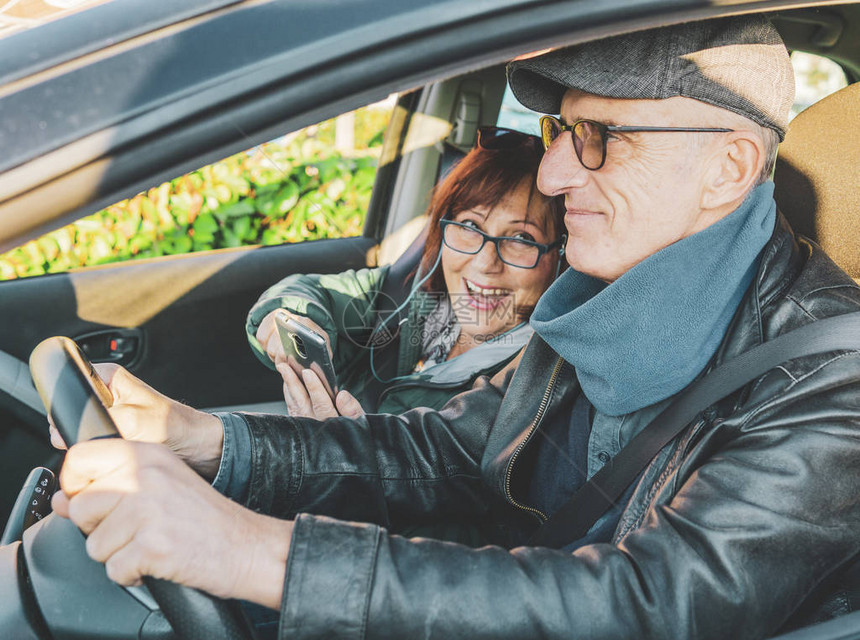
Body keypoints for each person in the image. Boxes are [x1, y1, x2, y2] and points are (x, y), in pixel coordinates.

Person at [50, 15, 860, 639]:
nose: (552, 173)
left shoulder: (832, 375)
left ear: (730, 169)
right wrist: (211, 441)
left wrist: (256, 555)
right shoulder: (594, 300)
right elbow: (448, 452)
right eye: (558, 132)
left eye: (599, 139)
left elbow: (646, 607)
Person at [247, 127, 565, 419]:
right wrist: (287, 318)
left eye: (521, 238)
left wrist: (335, 454)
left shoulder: (528, 383)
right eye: (470, 226)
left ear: (560, 255)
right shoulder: (409, 296)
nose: (485, 263)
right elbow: (309, 292)